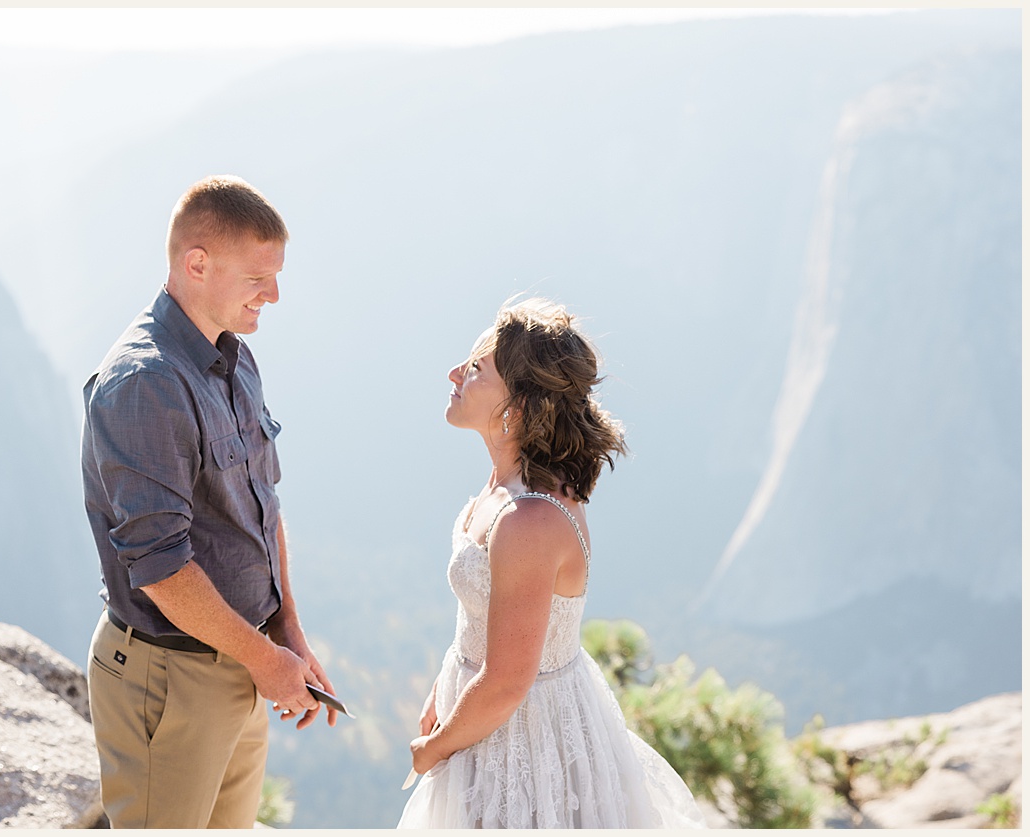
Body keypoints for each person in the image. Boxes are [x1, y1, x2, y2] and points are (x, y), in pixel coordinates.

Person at [79, 175, 335, 829]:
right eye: (258, 277)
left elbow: (262, 506)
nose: (274, 294)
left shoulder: (235, 360)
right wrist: (265, 660)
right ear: (197, 263)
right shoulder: (145, 384)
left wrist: (288, 633)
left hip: (241, 668)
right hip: (170, 680)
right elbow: (161, 568)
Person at [396, 298, 703, 828]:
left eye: (475, 369)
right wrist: (441, 691)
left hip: (526, 741)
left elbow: (508, 682)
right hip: (485, 718)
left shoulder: (529, 522)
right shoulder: (502, 490)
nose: (454, 374)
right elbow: (484, 625)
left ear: (515, 407)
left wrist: (434, 750)